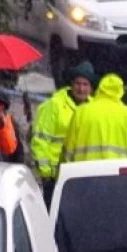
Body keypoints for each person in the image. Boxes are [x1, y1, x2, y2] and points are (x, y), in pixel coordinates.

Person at [32, 62, 96, 201]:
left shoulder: (94, 108)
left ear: (91, 88)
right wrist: (46, 172)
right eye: (78, 84)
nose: (81, 88)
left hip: (83, 174)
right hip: (56, 175)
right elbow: (40, 139)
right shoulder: (55, 105)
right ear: (71, 84)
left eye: (85, 84)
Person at [62, 72, 127, 163]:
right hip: (117, 173)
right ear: (121, 92)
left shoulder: (81, 112)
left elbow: (68, 150)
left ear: (99, 89)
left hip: (85, 172)